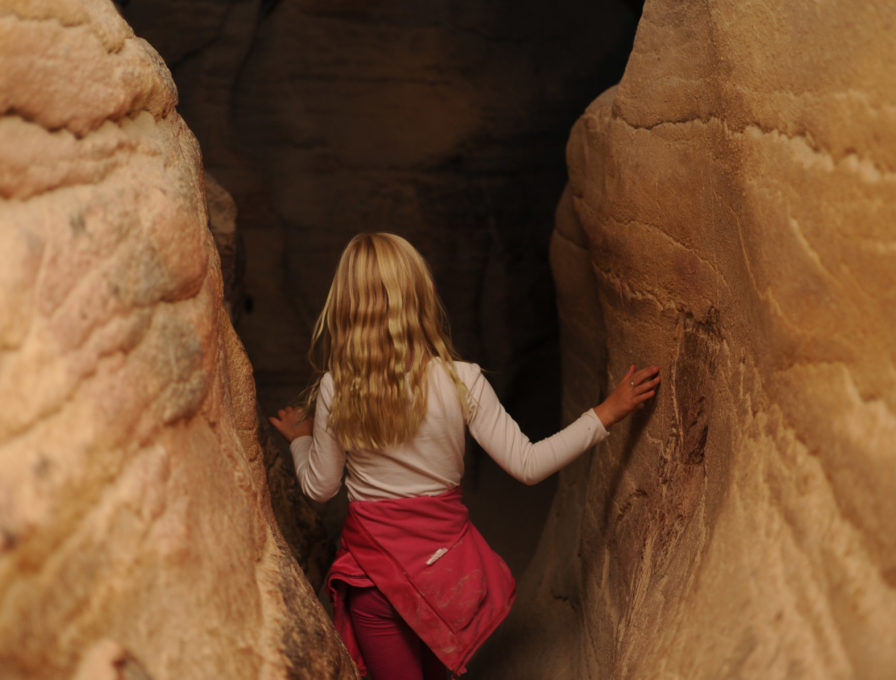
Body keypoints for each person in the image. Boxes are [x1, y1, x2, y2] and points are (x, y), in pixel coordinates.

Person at [270, 233, 659, 679]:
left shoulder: (338, 387)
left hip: (373, 580)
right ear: (425, 295)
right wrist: (605, 413)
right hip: (444, 576)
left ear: (343, 307)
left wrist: (300, 438)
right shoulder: (462, 381)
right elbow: (528, 465)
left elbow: (320, 488)